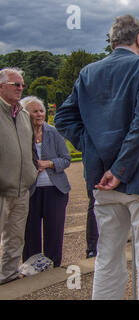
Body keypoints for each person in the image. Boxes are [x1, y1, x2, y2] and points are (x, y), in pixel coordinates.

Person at [55, 14, 139, 300]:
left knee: (107, 254)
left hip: (101, 178)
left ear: (113, 41)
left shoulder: (88, 72)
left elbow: (62, 118)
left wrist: (93, 148)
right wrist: (120, 168)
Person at [20, 96, 71, 268]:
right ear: (26, 114)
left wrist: (48, 163)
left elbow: (66, 159)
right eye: (35, 111)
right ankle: (32, 268)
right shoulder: (21, 134)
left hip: (55, 189)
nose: (39, 114)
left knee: (54, 231)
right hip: (30, 190)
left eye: (41, 110)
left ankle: (53, 266)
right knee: (30, 232)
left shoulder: (53, 132)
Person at [0, 68, 38, 284]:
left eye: (22, 84)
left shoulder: (23, 115)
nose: (21, 88)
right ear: (1, 86)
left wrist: (31, 171)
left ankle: (8, 276)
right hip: (1, 187)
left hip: (22, 188)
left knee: (15, 236)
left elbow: (31, 148)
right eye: (16, 84)